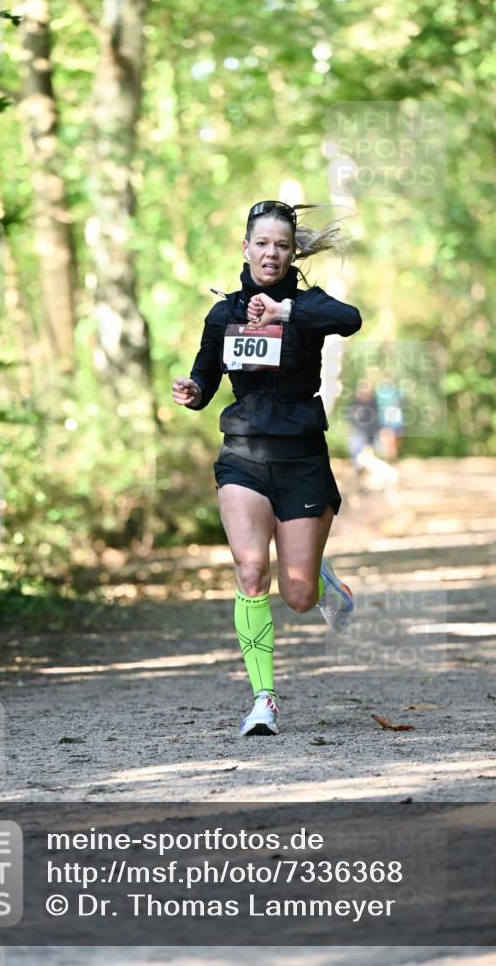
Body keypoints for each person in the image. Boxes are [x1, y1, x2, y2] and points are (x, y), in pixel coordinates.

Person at [172, 200, 362, 737]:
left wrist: (287, 314)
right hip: (243, 456)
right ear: (246, 248)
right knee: (251, 572)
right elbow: (204, 379)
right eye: (262, 243)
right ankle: (263, 699)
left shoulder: (310, 306)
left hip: (301, 457)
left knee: (297, 597)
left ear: (291, 251)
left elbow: (351, 320)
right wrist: (193, 392)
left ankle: (323, 584)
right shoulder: (224, 312)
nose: (271, 253)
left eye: (282, 245)